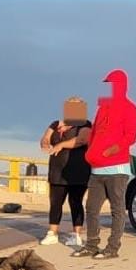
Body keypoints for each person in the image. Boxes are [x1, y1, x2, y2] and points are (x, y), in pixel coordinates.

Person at [73, 69, 136, 261]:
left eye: (113, 84)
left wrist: (112, 150)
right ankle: (91, 245)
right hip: (96, 168)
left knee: (117, 210)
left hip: (117, 169)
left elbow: (131, 136)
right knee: (91, 208)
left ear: (122, 85)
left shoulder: (130, 108)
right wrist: (90, 153)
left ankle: (112, 248)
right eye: (108, 85)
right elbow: (95, 132)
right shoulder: (103, 107)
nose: (110, 88)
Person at [40, 98, 92, 247]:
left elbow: (82, 140)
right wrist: (45, 143)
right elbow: (45, 138)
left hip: (78, 170)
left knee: (75, 202)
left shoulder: (85, 124)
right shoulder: (55, 124)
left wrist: (61, 145)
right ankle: (52, 233)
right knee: (55, 202)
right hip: (57, 169)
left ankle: (77, 235)